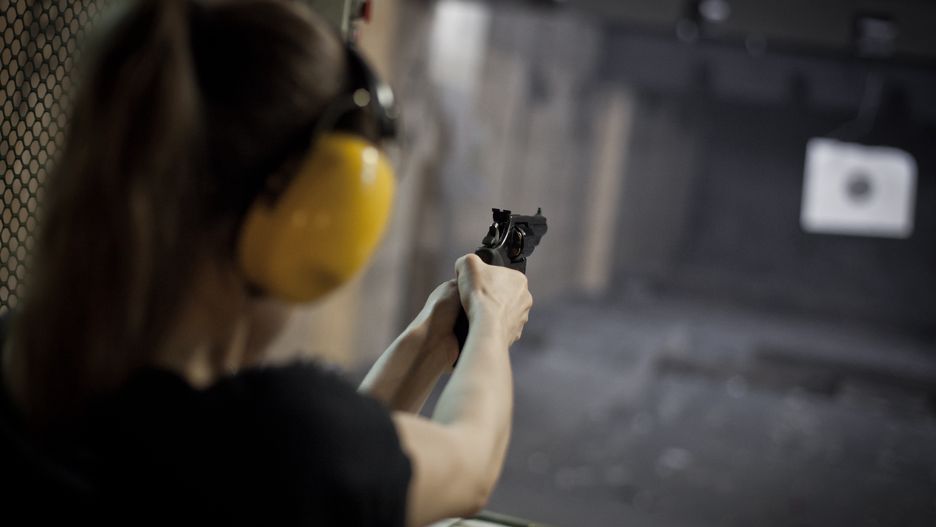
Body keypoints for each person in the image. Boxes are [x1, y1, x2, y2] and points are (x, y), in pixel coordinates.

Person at [0, 0, 532, 525]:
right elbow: (470, 466)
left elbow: (325, 481)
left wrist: (431, 339)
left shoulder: (25, 360)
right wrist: (492, 318)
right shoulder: (272, 441)